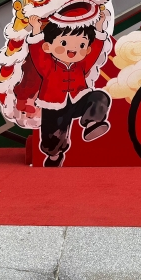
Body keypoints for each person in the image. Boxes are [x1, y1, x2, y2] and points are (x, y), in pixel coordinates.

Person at [20, 11, 111, 167]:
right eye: (63, 43)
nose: (73, 49)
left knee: (99, 97)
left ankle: (92, 124)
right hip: (54, 105)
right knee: (53, 136)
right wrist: (36, 30)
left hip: (78, 100)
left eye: (81, 45)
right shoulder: (47, 66)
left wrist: (99, 27)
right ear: (47, 47)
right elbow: (37, 54)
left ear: (87, 49)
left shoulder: (82, 64)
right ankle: (54, 155)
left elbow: (96, 50)